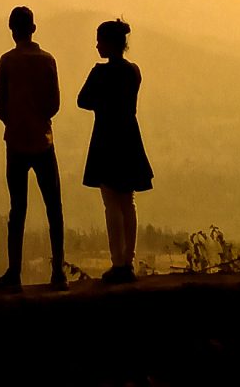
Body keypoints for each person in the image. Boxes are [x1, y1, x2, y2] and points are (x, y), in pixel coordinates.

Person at [0, 4, 65, 291]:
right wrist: (38, 119)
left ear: (12, 31)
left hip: (17, 143)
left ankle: (14, 274)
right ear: (33, 28)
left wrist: (16, 120)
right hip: (44, 141)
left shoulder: (7, 62)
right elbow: (54, 104)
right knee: (54, 208)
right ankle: (58, 271)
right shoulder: (47, 60)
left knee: (17, 209)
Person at [77, 17, 152, 283]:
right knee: (127, 201)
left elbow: (82, 100)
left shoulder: (100, 73)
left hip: (106, 138)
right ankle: (127, 261)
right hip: (129, 136)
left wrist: (102, 103)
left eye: (100, 40)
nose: (97, 45)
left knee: (111, 202)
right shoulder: (133, 71)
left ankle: (117, 262)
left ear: (109, 43)